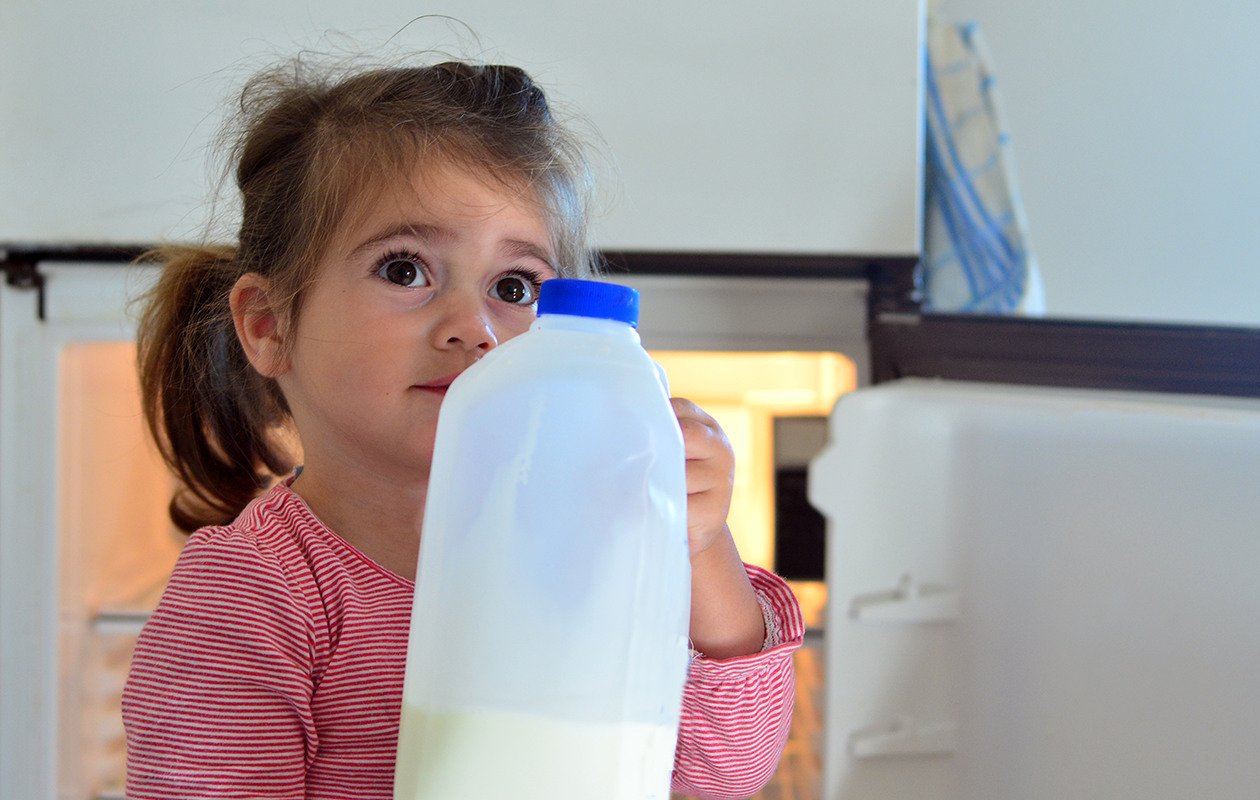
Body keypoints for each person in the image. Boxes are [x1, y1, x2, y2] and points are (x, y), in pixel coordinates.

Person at [122, 57, 803, 799]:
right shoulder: (253, 595)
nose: (474, 329)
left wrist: (699, 546)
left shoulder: (578, 553)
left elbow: (723, 772)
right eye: (405, 269)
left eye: (514, 288)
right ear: (269, 326)